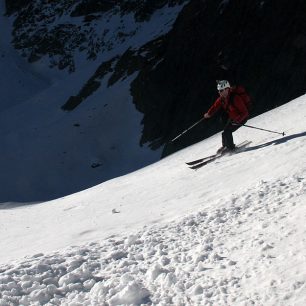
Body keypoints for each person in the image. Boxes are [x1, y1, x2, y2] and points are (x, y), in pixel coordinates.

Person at [204, 80, 249, 153]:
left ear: (227, 89)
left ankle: (231, 148)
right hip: (234, 118)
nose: (219, 92)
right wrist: (209, 114)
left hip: (241, 118)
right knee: (224, 132)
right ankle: (225, 146)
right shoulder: (222, 99)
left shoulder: (235, 98)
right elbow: (215, 107)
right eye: (219, 91)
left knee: (228, 131)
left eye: (221, 90)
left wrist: (237, 121)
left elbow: (245, 112)